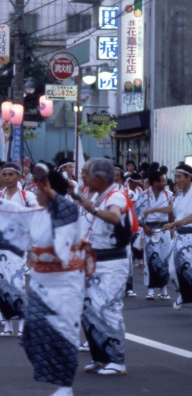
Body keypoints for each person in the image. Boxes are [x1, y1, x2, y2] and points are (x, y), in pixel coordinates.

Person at [0, 165, 86, 396]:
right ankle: (55, 375)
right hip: (41, 282)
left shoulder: (67, 210)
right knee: (33, 333)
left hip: (65, 283)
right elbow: (14, 213)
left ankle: (65, 387)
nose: (36, 192)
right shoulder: (37, 211)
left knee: (62, 333)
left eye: (40, 188)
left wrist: (50, 187)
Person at [78, 158, 132, 375]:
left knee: (107, 308)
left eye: (88, 175)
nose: (84, 178)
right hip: (91, 259)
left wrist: (93, 210)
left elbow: (114, 217)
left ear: (99, 179)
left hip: (111, 261)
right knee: (88, 308)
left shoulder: (115, 196)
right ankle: (99, 356)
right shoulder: (92, 196)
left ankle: (117, 360)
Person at [0, 162, 37, 337]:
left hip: (16, 248)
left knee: (16, 284)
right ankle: (6, 321)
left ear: (19, 177)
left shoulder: (26, 195)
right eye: (5, 175)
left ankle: (23, 320)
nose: (7, 178)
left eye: (11, 175)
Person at [134, 170, 172, 299]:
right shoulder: (143, 195)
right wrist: (143, 226)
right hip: (149, 229)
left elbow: (172, 211)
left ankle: (164, 289)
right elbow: (135, 214)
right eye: (163, 180)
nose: (165, 182)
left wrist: (171, 227)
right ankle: (150, 290)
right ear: (155, 182)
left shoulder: (169, 194)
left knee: (164, 259)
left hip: (164, 229)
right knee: (149, 259)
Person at [163, 164, 192, 309]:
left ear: (189, 177)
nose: (177, 180)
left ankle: (187, 295)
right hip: (179, 236)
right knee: (172, 270)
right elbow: (171, 208)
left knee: (189, 269)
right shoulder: (178, 194)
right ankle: (183, 293)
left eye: (180, 177)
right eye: (175, 177)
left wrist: (175, 223)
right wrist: (152, 210)